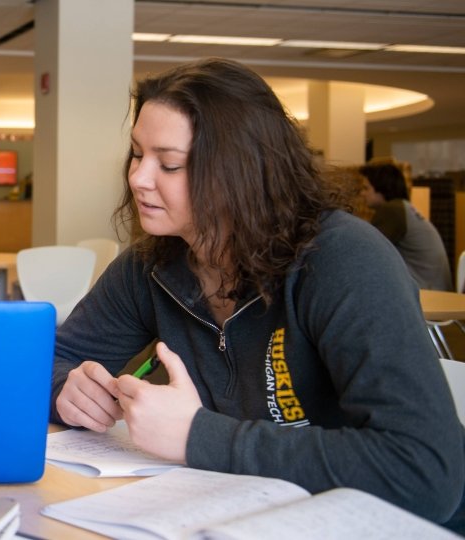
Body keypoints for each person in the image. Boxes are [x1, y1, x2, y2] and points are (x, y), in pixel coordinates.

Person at [51, 58, 465, 532]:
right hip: (249, 511)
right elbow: (44, 361)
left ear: (241, 171)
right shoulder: (150, 267)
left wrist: (197, 435)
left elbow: (424, 472)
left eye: (168, 164)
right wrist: (66, 388)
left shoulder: (343, 260)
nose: (139, 178)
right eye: (136, 154)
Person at [359, 161, 453, 291]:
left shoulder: (392, 211)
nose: (362, 194)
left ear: (382, 188)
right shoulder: (404, 208)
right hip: (436, 289)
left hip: (426, 292)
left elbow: (366, 254)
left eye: (366, 188)